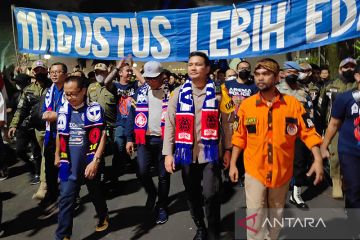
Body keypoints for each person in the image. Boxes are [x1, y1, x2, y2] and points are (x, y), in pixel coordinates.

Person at [229, 58, 324, 240]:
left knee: (276, 216)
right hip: (255, 171)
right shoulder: (247, 106)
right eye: (257, 74)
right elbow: (239, 136)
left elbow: (309, 133)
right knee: (255, 218)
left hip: (282, 174)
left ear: (276, 76)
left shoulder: (293, 105)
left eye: (265, 74)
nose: (260, 78)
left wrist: (318, 159)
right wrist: (233, 163)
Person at [163, 51, 232, 240]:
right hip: (186, 153)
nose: (193, 67)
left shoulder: (219, 94)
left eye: (198, 64)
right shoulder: (178, 93)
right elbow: (170, 123)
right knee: (192, 195)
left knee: (211, 194)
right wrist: (168, 154)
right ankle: (200, 226)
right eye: (190, 64)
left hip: (210, 152)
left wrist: (227, 149)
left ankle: (213, 228)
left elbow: (226, 124)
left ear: (207, 68)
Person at [55, 76, 108, 240]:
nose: (70, 98)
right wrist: (57, 154)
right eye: (66, 94)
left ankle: (103, 215)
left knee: (95, 193)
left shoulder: (95, 109)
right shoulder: (62, 108)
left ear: (83, 91)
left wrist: (95, 160)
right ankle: (63, 235)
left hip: (89, 162)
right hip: (68, 164)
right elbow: (59, 133)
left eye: (73, 94)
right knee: (65, 199)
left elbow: (102, 136)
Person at [126, 61, 171, 224]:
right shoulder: (141, 92)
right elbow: (132, 115)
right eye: (148, 78)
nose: (150, 81)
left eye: (154, 78)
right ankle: (152, 193)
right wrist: (129, 138)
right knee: (142, 172)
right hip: (143, 139)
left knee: (163, 176)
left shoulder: (171, 94)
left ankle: (162, 206)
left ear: (162, 77)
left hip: (164, 141)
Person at [320, 64, 360, 236]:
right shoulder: (345, 98)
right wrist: (324, 145)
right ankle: (354, 227)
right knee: (354, 189)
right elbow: (334, 124)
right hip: (350, 151)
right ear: (358, 76)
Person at [8, 60, 50, 197]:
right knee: (44, 155)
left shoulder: (54, 87)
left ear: (46, 71)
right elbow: (21, 109)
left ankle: (46, 184)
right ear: (33, 72)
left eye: (41, 70)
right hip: (37, 128)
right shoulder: (28, 90)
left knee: (49, 154)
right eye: (36, 70)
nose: (39, 72)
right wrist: (14, 124)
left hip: (53, 127)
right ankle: (46, 182)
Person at [318, 57, 357, 198]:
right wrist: (322, 127)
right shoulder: (330, 86)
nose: (349, 69)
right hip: (333, 126)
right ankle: (336, 182)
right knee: (335, 156)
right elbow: (321, 108)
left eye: (352, 67)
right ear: (340, 69)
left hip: (353, 127)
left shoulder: (357, 86)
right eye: (346, 67)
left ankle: (348, 182)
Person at [277, 61, 315, 209]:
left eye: (295, 72)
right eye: (289, 72)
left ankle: (296, 194)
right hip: (280, 134)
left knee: (299, 163)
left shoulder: (303, 91)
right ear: (283, 73)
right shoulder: (277, 90)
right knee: (280, 164)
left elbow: (309, 112)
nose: (292, 75)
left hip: (298, 133)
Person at [104, 57, 145, 184]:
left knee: (139, 149)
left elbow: (144, 83)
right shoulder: (115, 86)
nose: (130, 73)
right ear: (120, 73)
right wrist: (117, 67)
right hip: (120, 124)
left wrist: (133, 67)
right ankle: (114, 177)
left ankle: (140, 173)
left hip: (136, 123)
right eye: (127, 71)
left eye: (130, 71)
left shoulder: (135, 85)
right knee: (119, 150)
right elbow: (106, 82)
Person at [220, 60, 258, 186]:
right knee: (229, 147)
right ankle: (228, 173)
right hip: (230, 121)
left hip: (246, 122)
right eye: (241, 68)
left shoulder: (254, 86)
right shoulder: (228, 84)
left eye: (247, 68)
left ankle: (241, 174)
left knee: (243, 148)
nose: (244, 70)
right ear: (236, 70)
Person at [41, 62, 68, 218]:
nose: (54, 74)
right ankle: (53, 199)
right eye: (52, 72)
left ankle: (70, 198)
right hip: (50, 136)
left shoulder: (71, 89)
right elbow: (45, 110)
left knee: (64, 169)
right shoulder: (49, 91)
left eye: (58, 72)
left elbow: (75, 109)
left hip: (65, 137)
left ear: (65, 74)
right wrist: (46, 114)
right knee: (50, 172)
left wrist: (56, 116)